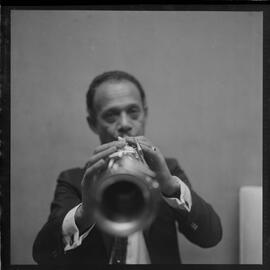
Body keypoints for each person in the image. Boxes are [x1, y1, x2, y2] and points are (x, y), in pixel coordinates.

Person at [32, 70, 222, 265]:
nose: (124, 124)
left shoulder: (167, 170)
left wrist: (170, 186)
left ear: (145, 114)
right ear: (93, 124)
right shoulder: (73, 180)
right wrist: (86, 212)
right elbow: (43, 255)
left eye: (133, 112)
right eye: (111, 115)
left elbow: (210, 237)